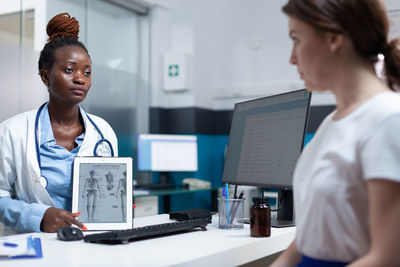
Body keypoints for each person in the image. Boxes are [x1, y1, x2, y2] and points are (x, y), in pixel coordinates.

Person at [271, 0, 400, 266]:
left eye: (296, 39)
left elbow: (388, 257)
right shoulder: (332, 123)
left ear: (333, 38)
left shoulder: (388, 120)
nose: (291, 58)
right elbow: (311, 235)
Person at [0, 13, 118, 235]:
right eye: (69, 70)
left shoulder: (104, 132)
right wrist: (38, 216)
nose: (80, 78)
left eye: (87, 72)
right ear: (46, 77)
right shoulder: (12, 132)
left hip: (91, 243)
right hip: (35, 243)